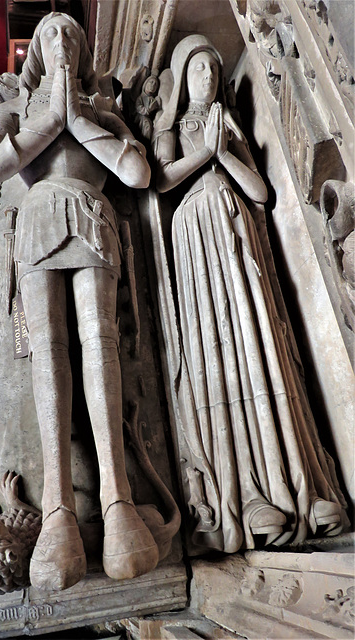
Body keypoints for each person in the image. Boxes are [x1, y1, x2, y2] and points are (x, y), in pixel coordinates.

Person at [0, 12, 158, 591]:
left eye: (71, 36)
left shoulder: (101, 111)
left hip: (90, 211)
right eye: (51, 34)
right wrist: (52, 114)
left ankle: (117, 502)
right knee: (51, 347)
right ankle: (56, 511)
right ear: (35, 51)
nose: (60, 41)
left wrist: (78, 118)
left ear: (82, 52)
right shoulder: (15, 108)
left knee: (98, 340)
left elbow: (134, 173)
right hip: (36, 216)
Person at [153, 34, 347, 553]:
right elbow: (162, 181)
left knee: (263, 346)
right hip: (196, 238)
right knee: (218, 355)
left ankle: (300, 480)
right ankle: (249, 494)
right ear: (182, 77)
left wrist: (227, 154)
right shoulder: (173, 128)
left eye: (214, 72)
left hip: (240, 235)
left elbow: (261, 191)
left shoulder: (229, 124)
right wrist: (206, 153)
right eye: (197, 71)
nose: (208, 80)